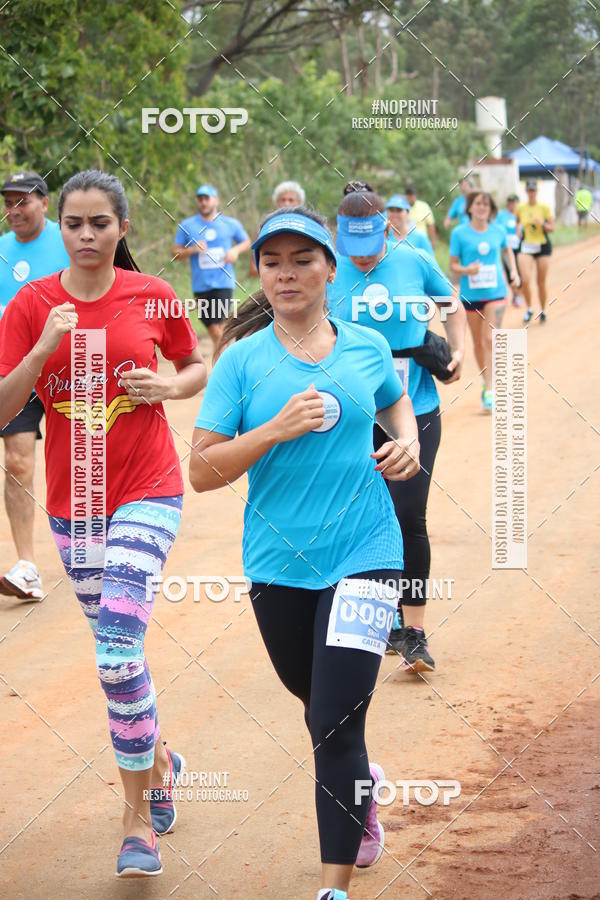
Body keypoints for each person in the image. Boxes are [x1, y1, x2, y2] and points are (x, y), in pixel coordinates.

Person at [190, 207, 420, 900]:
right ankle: (363, 788)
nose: (286, 273)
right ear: (257, 270)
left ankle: (333, 888)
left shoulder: (366, 345)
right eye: (272, 261)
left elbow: (394, 398)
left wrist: (404, 438)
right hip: (278, 563)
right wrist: (273, 430)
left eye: (301, 259)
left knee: (333, 724)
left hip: (367, 549)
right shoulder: (241, 361)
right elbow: (202, 471)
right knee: (313, 699)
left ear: (329, 267)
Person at [0, 169, 207, 878]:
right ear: (59, 228)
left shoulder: (150, 294)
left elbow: (194, 362)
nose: (86, 236)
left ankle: (136, 819)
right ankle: (162, 760)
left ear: (122, 228)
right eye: (74, 224)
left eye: (100, 224)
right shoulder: (31, 303)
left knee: (117, 650)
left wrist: (169, 386)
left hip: (147, 486)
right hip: (75, 499)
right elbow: (3, 410)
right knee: (119, 656)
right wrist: (40, 348)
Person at [328, 190, 466, 672]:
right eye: (351, 245)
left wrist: (459, 349)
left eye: (369, 244)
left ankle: (414, 632)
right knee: (356, 516)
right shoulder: (328, 268)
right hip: (349, 415)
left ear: (388, 230)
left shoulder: (414, 260)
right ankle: (374, 623)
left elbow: (452, 303)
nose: (360, 255)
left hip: (418, 406)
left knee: (410, 514)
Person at [0, 171, 70, 601]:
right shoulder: (1, 249)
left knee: (85, 455)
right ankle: (27, 565)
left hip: (74, 364)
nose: (14, 209)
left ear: (45, 203)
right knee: (18, 460)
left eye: (23, 200)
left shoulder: (72, 239)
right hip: (17, 367)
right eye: (8, 201)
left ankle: (96, 542)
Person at [449, 191, 519, 412]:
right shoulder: (459, 233)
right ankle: (486, 381)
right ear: (469, 208)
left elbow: (508, 250)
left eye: (486, 204)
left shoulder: (498, 230)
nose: (482, 207)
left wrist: (514, 273)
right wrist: (467, 270)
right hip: (471, 295)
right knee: (478, 343)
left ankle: (491, 388)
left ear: (491, 209)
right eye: (478, 204)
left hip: (496, 292)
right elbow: (453, 265)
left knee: (490, 338)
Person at [173, 183, 250, 350]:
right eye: (200, 199)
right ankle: (229, 354)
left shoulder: (230, 224)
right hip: (200, 284)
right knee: (212, 326)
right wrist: (192, 250)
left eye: (206, 199)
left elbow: (246, 242)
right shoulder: (188, 225)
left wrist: (235, 251)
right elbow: (175, 253)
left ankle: (225, 361)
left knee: (218, 326)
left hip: (223, 281)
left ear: (215, 200)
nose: (203, 202)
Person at [516, 180, 554, 324]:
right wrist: (517, 230)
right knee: (525, 279)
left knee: (540, 281)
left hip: (542, 245)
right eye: (529, 190)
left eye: (533, 190)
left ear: (536, 191)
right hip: (526, 245)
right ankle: (529, 308)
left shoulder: (544, 208)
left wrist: (543, 224)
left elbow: (552, 227)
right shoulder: (521, 207)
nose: (531, 192)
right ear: (526, 192)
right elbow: (517, 222)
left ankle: (543, 311)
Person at [496, 193, 523, 307]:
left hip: (520, 247)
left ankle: (519, 292)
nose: (511, 204)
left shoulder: (520, 214)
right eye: (510, 202)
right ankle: (516, 295)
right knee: (510, 269)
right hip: (506, 248)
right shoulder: (501, 216)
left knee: (521, 270)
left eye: (514, 202)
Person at [405, 184, 436, 250]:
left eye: (413, 196)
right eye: (409, 196)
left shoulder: (424, 206)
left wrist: (432, 241)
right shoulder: (401, 208)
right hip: (408, 242)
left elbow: (431, 224)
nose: (411, 198)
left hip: (422, 242)